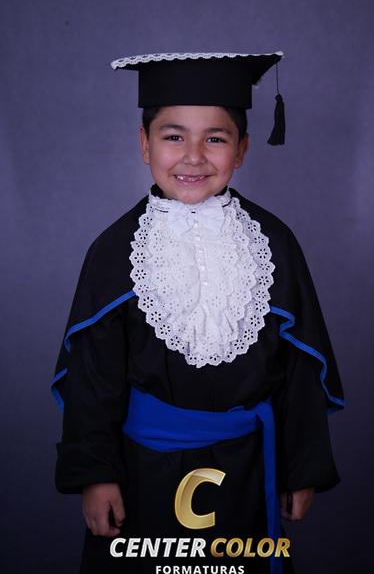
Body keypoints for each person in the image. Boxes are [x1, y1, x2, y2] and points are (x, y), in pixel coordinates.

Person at [52, 52, 344, 574]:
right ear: (144, 144)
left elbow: (300, 368)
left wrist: (300, 469)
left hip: (247, 471)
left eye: (215, 138)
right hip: (142, 474)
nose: (193, 157)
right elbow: (92, 381)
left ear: (242, 149)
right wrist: (96, 475)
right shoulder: (115, 251)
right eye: (173, 136)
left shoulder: (273, 245)